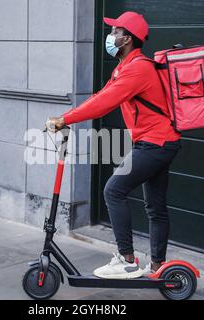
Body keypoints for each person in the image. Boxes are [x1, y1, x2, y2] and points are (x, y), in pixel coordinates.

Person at [47, 11, 182, 279]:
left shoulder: (139, 69)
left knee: (113, 190)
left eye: (115, 32)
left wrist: (65, 119)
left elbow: (105, 103)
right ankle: (157, 268)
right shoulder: (124, 67)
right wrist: (68, 117)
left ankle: (127, 259)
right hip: (156, 142)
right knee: (155, 207)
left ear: (127, 39)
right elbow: (101, 95)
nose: (110, 36)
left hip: (156, 144)